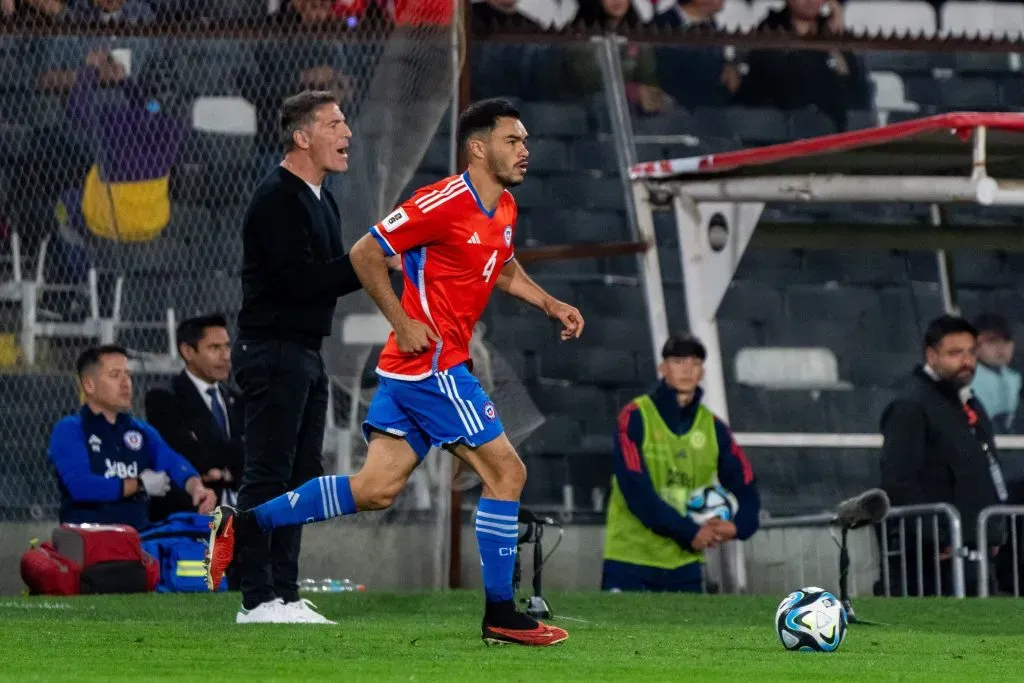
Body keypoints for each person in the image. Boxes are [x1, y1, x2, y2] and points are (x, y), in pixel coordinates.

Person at [206, 98, 584, 646]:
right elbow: (365, 252)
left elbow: (500, 264)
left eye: (525, 142)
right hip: (433, 362)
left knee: (376, 488)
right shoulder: (443, 199)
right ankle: (501, 614)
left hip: (411, 369)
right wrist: (403, 320)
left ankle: (242, 525)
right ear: (478, 148)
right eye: (513, 141)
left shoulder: (503, 209)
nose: (525, 151)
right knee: (508, 474)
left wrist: (549, 304)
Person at [227, 90, 363, 625]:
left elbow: (327, 272)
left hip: (305, 353)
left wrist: (367, 263)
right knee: (267, 475)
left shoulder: (321, 197)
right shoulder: (278, 198)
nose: (346, 132)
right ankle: (255, 598)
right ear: (301, 136)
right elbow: (303, 280)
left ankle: (284, 593)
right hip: (272, 350)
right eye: (334, 123)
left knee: (301, 476)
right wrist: (369, 261)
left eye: (345, 122)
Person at [602, 333, 760, 593]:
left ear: (702, 372)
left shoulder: (714, 427)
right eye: (678, 361)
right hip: (630, 561)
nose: (687, 369)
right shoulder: (635, 416)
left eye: (694, 362)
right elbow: (635, 490)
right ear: (662, 368)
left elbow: (745, 483)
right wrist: (689, 532)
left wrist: (739, 525)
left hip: (685, 567)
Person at [879, 315, 1008, 596]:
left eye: (971, 352)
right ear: (932, 355)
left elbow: (986, 468)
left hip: (977, 551)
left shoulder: (968, 403)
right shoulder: (910, 406)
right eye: (955, 353)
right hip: (934, 565)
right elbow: (898, 481)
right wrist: (938, 537)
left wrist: (994, 530)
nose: (967, 361)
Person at [47, 345, 216, 531]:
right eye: (115, 375)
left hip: (137, 539)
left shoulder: (142, 431)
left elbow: (173, 462)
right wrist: (140, 484)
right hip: (87, 540)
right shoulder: (70, 429)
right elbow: (81, 486)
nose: (126, 382)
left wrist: (196, 488)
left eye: (127, 374)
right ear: (89, 385)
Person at [145, 314, 244, 523]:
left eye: (227, 347)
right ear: (188, 351)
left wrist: (221, 470)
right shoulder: (164, 398)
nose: (226, 356)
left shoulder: (237, 399)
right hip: (188, 517)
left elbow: (254, 455)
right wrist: (232, 462)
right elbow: (188, 455)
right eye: (214, 348)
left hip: (238, 515)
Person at [970, 312, 1021, 435]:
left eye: (1007, 340)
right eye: (992, 341)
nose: (1001, 347)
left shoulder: (1015, 379)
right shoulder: (966, 381)